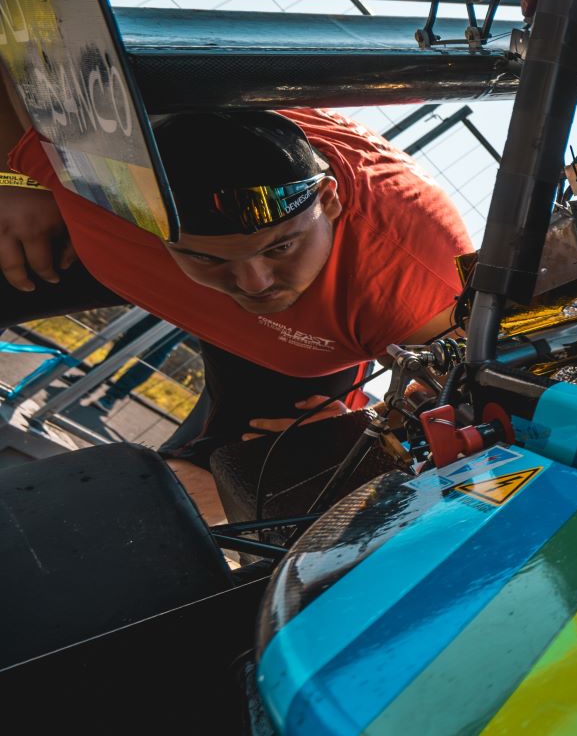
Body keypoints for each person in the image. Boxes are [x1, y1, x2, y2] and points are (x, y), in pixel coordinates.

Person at [0, 97, 469, 518]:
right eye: (207, 256)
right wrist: (16, 173)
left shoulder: (409, 286)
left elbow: (474, 398)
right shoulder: (87, 177)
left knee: (265, 469)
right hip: (104, 214)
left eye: (281, 248)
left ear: (327, 203)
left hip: (309, 348)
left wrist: (382, 431)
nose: (254, 282)